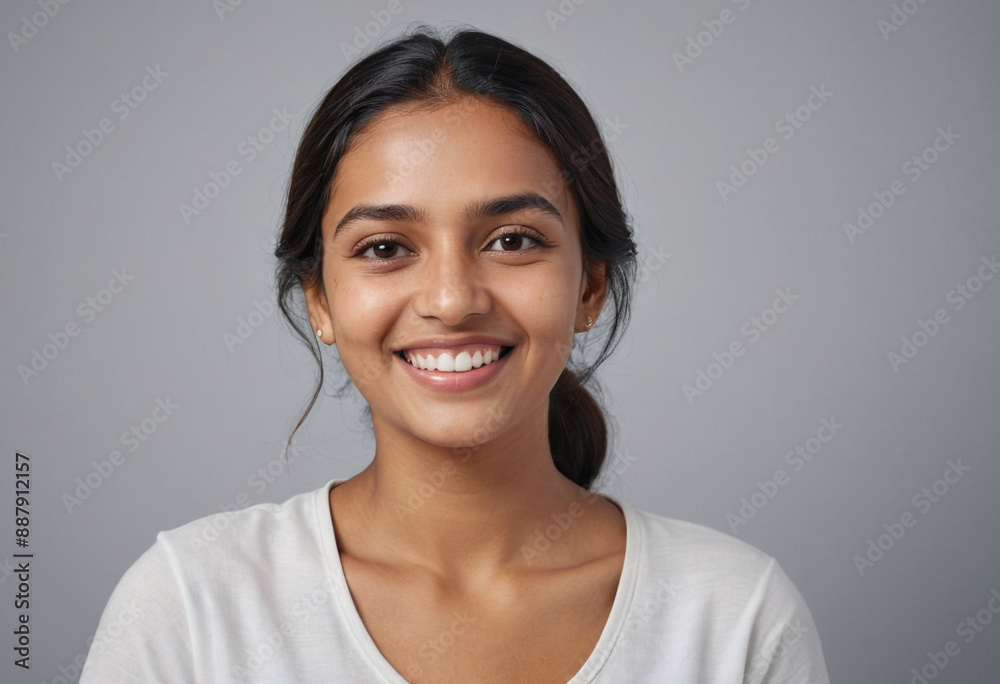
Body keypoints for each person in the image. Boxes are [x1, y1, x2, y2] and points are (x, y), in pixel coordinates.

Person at [81, 26, 830, 683]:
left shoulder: (734, 619)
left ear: (590, 285)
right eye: (385, 248)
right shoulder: (191, 606)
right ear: (320, 300)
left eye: (512, 240)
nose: (451, 299)